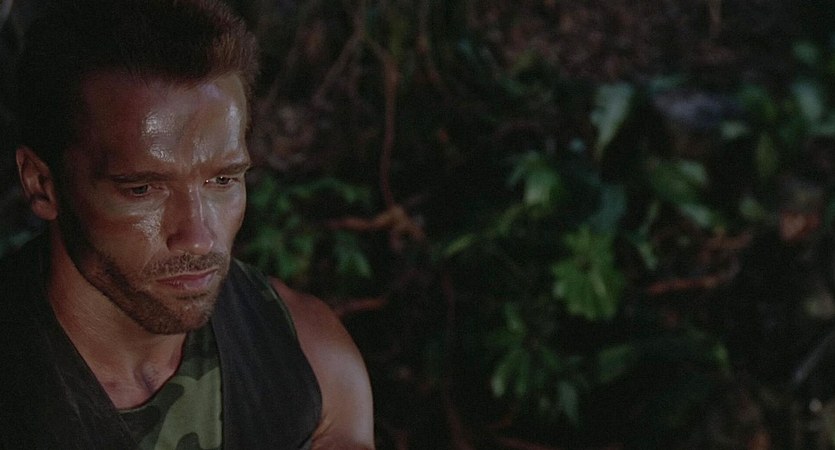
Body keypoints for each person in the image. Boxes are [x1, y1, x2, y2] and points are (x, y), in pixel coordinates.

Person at [0, 0, 374, 448]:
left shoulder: (307, 355)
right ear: (42, 185)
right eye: (143, 189)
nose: (197, 238)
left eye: (222, 180)